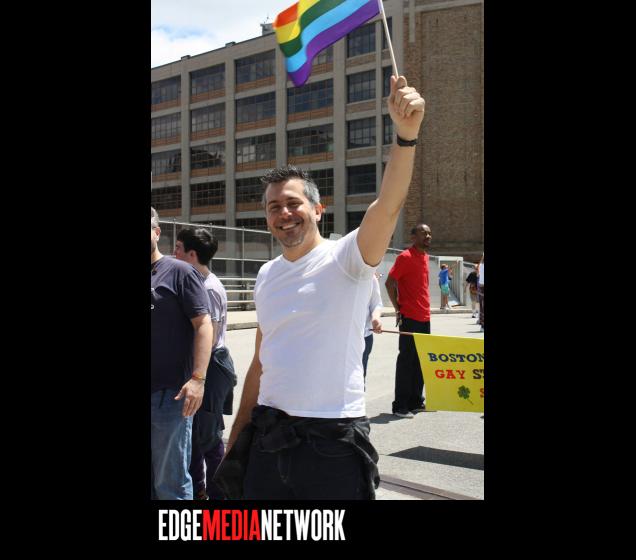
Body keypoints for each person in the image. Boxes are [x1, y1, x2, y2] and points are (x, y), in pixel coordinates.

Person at [220, 74, 426, 500]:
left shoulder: (347, 257)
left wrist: (405, 137)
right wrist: (236, 436)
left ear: (318, 209)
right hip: (268, 436)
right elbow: (260, 363)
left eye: (293, 203)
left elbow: (387, 206)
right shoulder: (267, 275)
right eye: (274, 207)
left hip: (333, 442)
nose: (284, 213)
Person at [150, 208, 214, 500]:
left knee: (170, 484)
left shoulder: (180, 272)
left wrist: (198, 379)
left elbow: (203, 325)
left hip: (169, 396)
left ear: (157, 232)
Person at [174, 227, 237, 501]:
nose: (173, 252)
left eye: (178, 248)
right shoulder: (199, 281)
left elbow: (208, 337)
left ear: (192, 254)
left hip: (211, 365)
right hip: (207, 365)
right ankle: (199, 490)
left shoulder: (207, 288)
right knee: (197, 433)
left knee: (209, 437)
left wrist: (195, 372)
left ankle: (218, 495)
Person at [385, 223, 432, 418]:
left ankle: (415, 401)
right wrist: (398, 308)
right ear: (413, 237)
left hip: (425, 317)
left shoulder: (426, 257)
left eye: (429, 233)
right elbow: (389, 282)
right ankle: (400, 406)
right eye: (423, 233)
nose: (428, 236)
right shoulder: (405, 257)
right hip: (410, 317)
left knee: (420, 361)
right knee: (406, 361)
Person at [362, 274, 384, 386]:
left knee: (359, 377)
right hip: (336, 338)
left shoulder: (370, 277)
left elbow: (376, 303)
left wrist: (376, 318)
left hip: (364, 337)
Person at [477, 253, 484, 332]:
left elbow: (480, 262)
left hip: (481, 286)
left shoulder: (481, 266)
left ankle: (482, 325)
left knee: (482, 306)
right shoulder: (481, 266)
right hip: (482, 286)